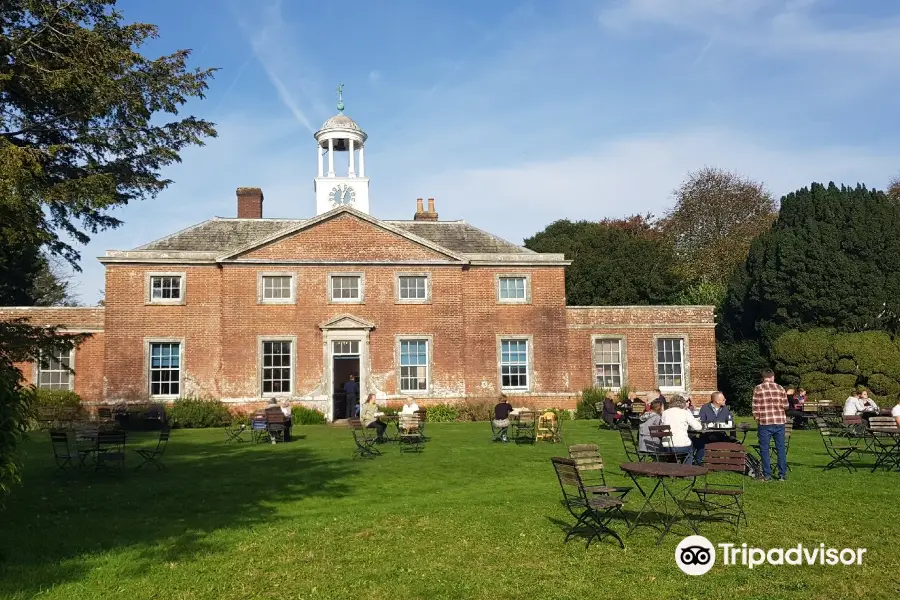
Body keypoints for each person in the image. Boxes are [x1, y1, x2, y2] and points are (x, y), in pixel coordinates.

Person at [752, 369, 789, 482]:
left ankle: (767, 474)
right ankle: (782, 474)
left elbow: (755, 407)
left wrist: (757, 419)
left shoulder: (758, 388)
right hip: (779, 421)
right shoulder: (780, 388)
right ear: (772, 377)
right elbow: (786, 405)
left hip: (765, 422)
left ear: (763, 377)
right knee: (780, 448)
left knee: (764, 449)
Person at [695, 392, 734, 464]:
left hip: (721, 433)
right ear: (717, 401)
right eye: (723, 399)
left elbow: (730, 421)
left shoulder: (725, 408)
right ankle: (698, 462)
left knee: (734, 441)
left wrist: (732, 434)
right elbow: (701, 421)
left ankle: (733, 462)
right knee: (703, 441)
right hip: (707, 434)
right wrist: (710, 424)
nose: (725, 400)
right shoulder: (705, 407)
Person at [661, 396, 702, 464]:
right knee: (691, 447)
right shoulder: (685, 412)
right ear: (683, 403)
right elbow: (698, 427)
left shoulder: (665, 413)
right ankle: (687, 469)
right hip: (681, 445)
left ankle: (674, 467)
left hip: (667, 445)